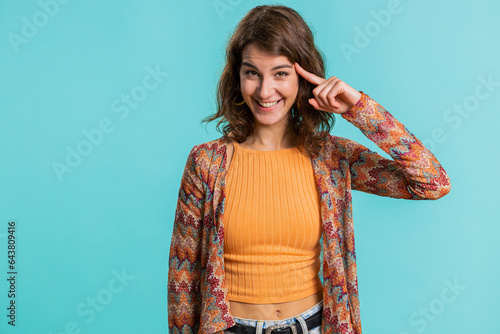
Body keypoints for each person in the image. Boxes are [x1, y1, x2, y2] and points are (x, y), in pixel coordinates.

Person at [168, 5, 451, 334]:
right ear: (237, 77)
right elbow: (183, 283)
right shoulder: (207, 163)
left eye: (280, 73)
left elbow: (432, 183)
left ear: (303, 77)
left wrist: (359, 108)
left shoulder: (329, 157)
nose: (264, 90)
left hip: (314, 326)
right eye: (252, 73)